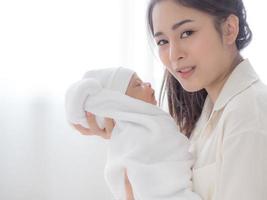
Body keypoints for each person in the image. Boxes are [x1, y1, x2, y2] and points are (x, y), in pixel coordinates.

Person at [73, 0, 267, 200]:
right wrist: (130, 136)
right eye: (163, 42)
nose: (174, 55)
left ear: (229, 29)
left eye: (187, 33)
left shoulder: (248, 115)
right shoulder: (207, 114)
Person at [65, 67, 200, 200]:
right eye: (138, 85)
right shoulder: (136, 136)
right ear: (123, 103)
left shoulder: (152, 125)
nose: (147, 84)